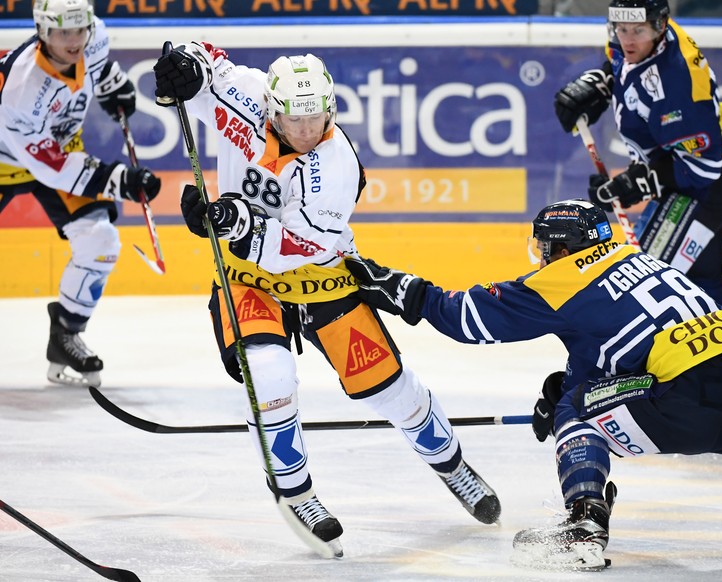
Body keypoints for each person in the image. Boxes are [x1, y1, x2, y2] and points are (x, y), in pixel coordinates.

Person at [346, 198, 722, 571]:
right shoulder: (644, 260)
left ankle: (585, 522)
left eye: (544, 248)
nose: (541, 258)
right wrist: (571, 383)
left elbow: (462, 317)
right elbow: (621, 344)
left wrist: (392, 285)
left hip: (691, 400)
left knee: (574, 412)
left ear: (560, 249)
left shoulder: (564, 277)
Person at [152, 46, 501, 558]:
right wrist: (182, 71)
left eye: (316, 118)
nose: (306, 130)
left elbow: (302, 247)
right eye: (294, 119)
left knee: (389, 391)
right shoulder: (245, 95)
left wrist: (229, 222)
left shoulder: (335, 166)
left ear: (330, 110)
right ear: (272, 108)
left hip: (322, 278)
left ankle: (452, 465)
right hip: (247, 279)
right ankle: (297, 492)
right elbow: (206, 67)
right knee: (268, 372)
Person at [0, 0, 161, 388]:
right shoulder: (22, 90)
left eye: (80, 30)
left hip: (57, 150)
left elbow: (100, 63)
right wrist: (119, 180)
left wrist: (111, 86)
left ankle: (66, 335)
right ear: (42, 33)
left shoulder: (94, 34)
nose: (74, 41)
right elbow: (51, 165)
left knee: (100, 240)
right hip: (12, 157)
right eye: (62, 33)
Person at [554, 0, 722, 311]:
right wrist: (604, 82)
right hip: (716, 179)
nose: (627, 39)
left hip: (705, 189)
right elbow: (619, 58)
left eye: (637, 31)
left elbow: (703, 166)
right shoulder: (643, 36)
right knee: (708, 286)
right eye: (621, 29)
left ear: (659, 27)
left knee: (639, 288)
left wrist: (637, 183)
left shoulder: (678, 86)